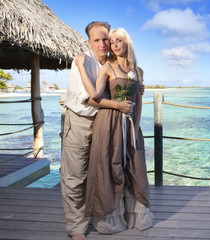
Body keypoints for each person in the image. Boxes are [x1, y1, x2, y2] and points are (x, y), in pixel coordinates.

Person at [61, 22, 143, 240]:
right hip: (79, 121)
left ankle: (95, 215)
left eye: (105, 39)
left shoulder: (109, 63)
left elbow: (121, 82)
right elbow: (90, 98)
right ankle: (76, 228)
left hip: (101, 124)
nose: (103, 44)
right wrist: (118, 106)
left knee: (97, 172)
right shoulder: (82, 61)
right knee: (75, 175)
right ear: (89, 42)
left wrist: (137, 87)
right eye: (96, 40)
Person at [75, 27, 153, 235]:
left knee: (135, 166)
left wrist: (135, 130)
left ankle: (135, 215)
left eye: (119, 40)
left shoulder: (139, 71)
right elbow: (94, 95)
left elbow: (138, 102)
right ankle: (111, 218)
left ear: (127, 42)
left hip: (129, 125)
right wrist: (81, 68)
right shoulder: (108, 67)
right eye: (112, 41)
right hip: (108, 122)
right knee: (110, 167)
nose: (115, 45)